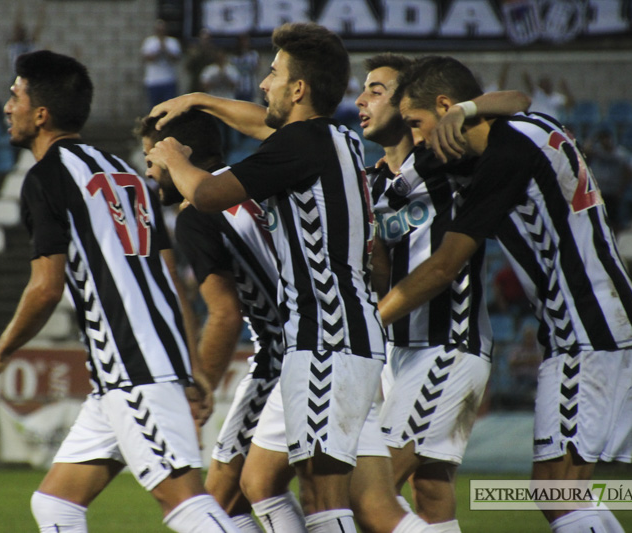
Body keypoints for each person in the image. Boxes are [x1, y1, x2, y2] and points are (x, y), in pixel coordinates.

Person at [147, 22, 431, 533]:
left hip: (325, 339)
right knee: (266, 482)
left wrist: (173, 157)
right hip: (346, 337)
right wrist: (200, 100)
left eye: (273, 73)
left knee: (324, 500)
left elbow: (209, 196)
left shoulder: (302, 143)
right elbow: (261, 122)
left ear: (298, 89)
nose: (263, 84)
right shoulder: (336, 137)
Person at [0, 50, 238, 533]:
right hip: (135, 370)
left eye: (15, 96)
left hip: (132, 368)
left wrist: (0, 352)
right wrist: (191, 365)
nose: (7, 107)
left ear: (41, 113)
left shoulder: (46, 178)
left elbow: (46, 288)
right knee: (56, 505)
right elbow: (168, 278)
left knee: (186, 505)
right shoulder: (127, 174)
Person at [386, 55, 632, 533]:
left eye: (417, 124)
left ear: (445, 107)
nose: (418, 138)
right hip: (596, 325)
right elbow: (516, 100)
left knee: (558, 493)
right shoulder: (527, 127)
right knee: (562, 492)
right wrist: (464, 112)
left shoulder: (507, 154)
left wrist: (371, 317)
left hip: (587, 328)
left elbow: (445, 265)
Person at [357, 52, 530, 532]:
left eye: (376, 90)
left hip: (447, 348)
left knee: (369, 492)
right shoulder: (370, 182)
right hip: (398, 351)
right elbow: (381, 272)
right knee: (430, 492)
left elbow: (518, 102)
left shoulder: (450, 158)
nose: (361, 100)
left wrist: (464, 110)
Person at [139, 109, 283, 532]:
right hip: (327, 343)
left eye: (151, 159)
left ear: (177, 154)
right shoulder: (252, 185)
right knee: (269, 488)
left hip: (282, 356)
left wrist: (197, 389)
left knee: (221, 499)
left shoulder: (196, 214)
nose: (149, 173)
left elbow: (223, 315)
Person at [584, 128, 632, 233]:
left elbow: (628, 171)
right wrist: (593, 138)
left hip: (614, 192)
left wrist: (622, 188)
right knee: (598, 219)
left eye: (607, 139)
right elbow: (585, 150)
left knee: (614, 219)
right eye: (603, 139)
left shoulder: (620, 154)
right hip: (599, 191)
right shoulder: (597, 152)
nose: (606, 142)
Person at [141, 19, 182, 109]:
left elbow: (176, 58)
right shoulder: (149, 42)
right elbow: (147, 58)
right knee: (154, 109)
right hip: (153, 81)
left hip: (169, 80)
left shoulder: (172, 42)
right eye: (158, 29)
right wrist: (159, 50)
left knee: (170, 110)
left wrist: (166, 50)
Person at [230, 34, 260, 103]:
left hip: (249, 86)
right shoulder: (235, 56)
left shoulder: (253, 55)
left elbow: (257, 68)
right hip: (238, 87)